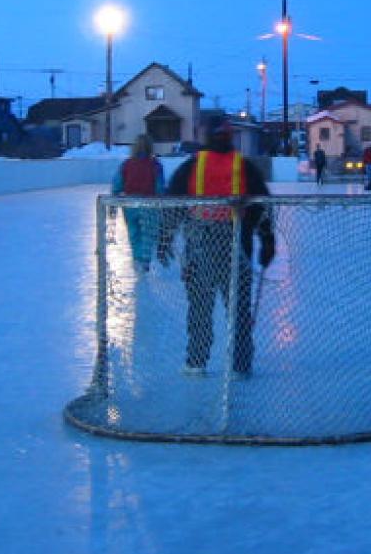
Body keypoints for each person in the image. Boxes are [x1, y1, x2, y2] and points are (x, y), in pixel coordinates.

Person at [163, 118, 275, 377]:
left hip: (200, 251)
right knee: (238, 311)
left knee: (200, 309)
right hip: (237, 252)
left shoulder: (192, 166)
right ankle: (240, 364)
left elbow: (171, 204)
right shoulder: (244, 167)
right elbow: (263, 208)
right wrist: (268, 242)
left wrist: (165, 237)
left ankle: (196, 361)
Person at [112, 134, 165, 270]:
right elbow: (159, 186)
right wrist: (161, 199)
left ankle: (136, 258)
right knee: (148, 234)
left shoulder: (126, 164)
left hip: (130, 205)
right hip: (149, 204)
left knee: (134, 232)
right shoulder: (155, 165)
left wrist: (115, 195)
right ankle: (145, 261)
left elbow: (117, 184)